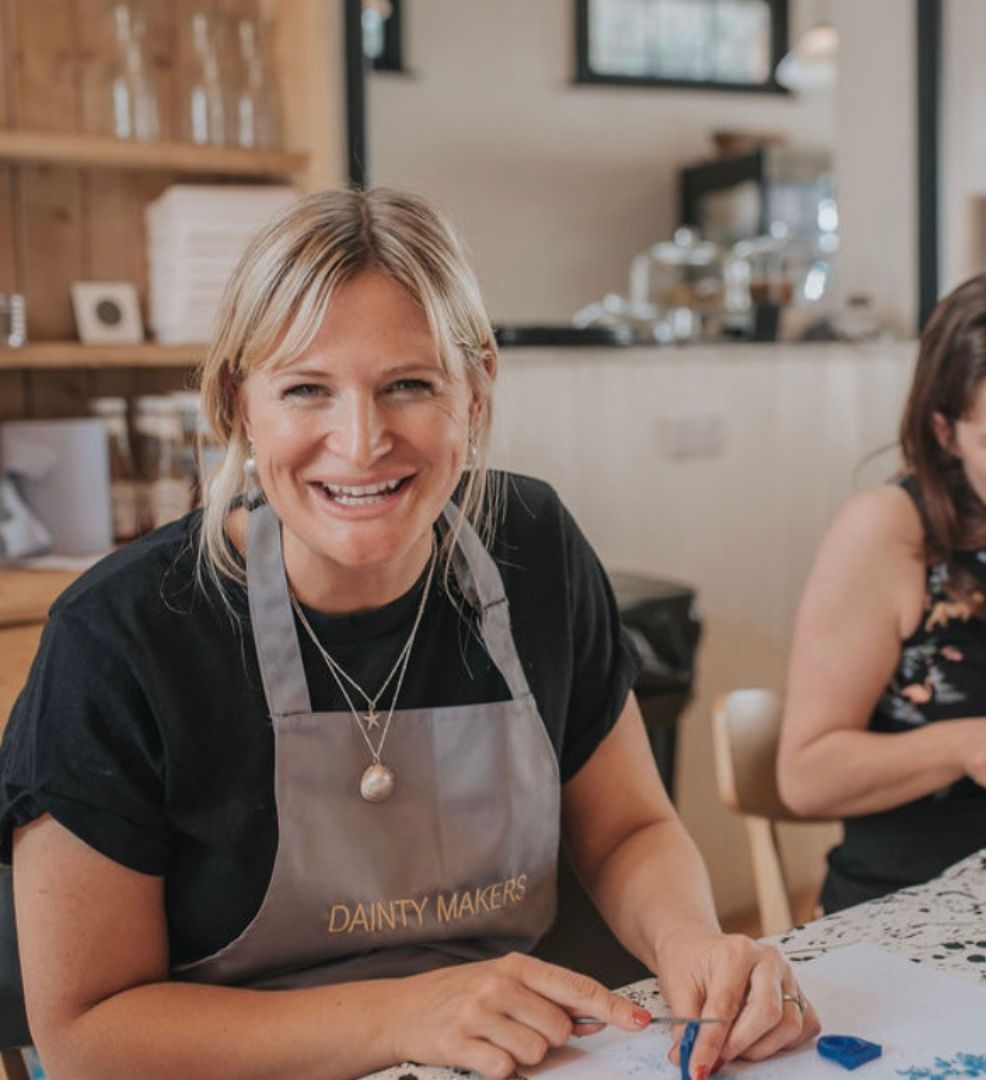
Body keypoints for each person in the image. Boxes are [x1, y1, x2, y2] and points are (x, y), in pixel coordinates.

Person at [0, 188, 818, 1080]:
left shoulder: (532, 549)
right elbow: (86, 1035)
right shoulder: (122, 636)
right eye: (307, 389)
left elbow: (626, 830)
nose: (360, 442)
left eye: (409, 386)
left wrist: (691, 941)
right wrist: (401, 1017)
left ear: (475, 392)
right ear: (240, 402)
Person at [778, 269, 986, 914]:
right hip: (912, 903)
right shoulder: (889, 531)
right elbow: (804, 778)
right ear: (947, 435)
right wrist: (966, 744)